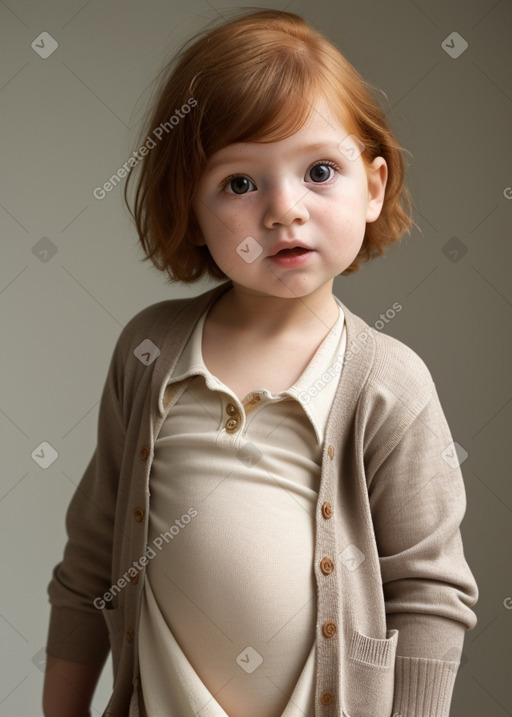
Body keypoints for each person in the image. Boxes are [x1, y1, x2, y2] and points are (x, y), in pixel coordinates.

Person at [43, 8, 479, 717]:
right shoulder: (151, 353)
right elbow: (93, 556)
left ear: (373, 186)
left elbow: (429, 592)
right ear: (191, 204)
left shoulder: (387, 382)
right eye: (241, 183)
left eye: (319, 171)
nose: (283, 210)